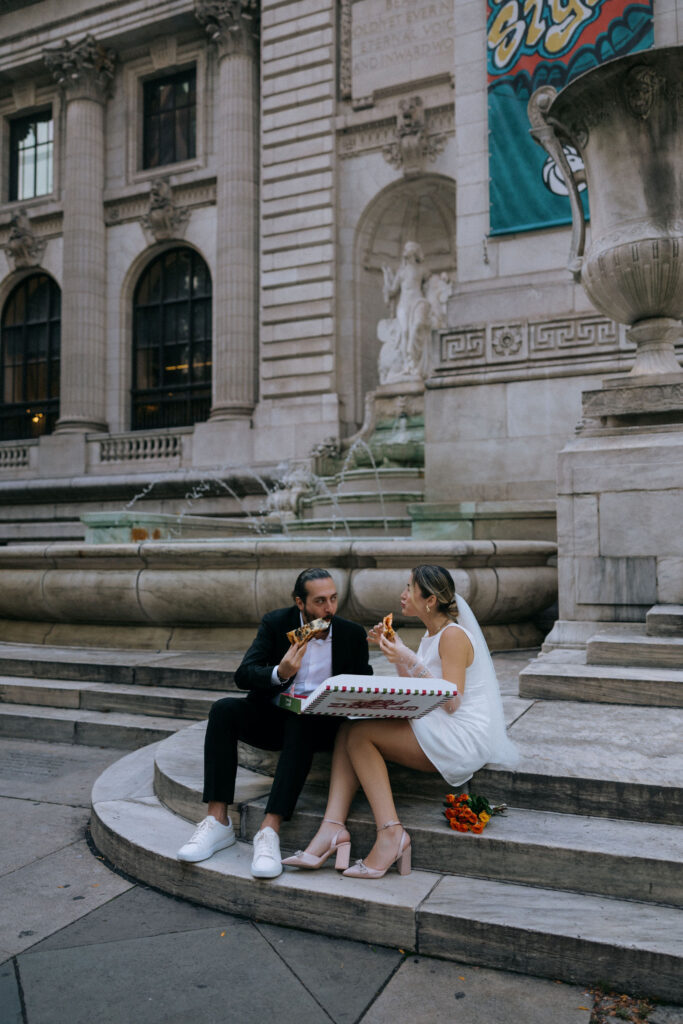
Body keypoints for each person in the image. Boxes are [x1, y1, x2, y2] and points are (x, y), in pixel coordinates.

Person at [283, 564, 519, 878]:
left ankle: (392, 834)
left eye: (409, 588)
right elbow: (419, 690)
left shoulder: (453, 637)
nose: (403, 595)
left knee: (359, 736)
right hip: (438, 723)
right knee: (347, 728)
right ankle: (332, 829)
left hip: (460, 735)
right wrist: (396, 654)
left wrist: (407, 656)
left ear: (430, 600)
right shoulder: (431, 635)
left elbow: (452, 701)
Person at [177, 568, 372, 877]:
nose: (329, 609)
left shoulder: (350, 633)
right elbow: (244, 674)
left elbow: (362, 683)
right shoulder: (276, 623)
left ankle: (269, 830)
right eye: (320, 601)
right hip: (273, 717)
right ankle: (218, 821)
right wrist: (280, 673)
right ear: (300, 602)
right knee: (223, 710)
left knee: (302, 720)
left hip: (318, 727)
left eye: (333, 599)